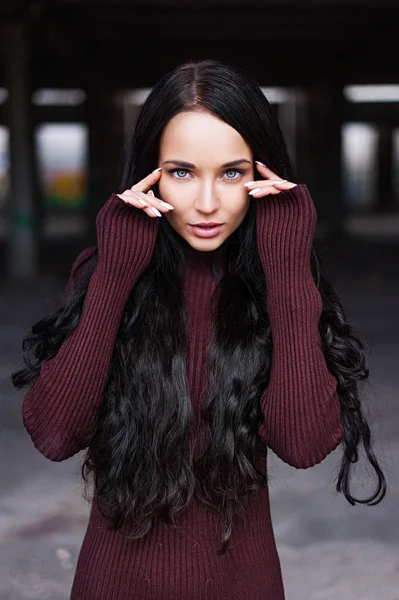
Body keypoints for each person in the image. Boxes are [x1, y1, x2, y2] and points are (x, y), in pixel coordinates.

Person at [12, 59, 386, 600]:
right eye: (182, 172)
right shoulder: (107, 268)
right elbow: (54, 433)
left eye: (231, 173)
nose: (207, 204)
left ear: (263, 175)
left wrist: (284, 265)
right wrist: (115, 273)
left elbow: (302, 443)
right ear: (150, 173)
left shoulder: (282, 281)